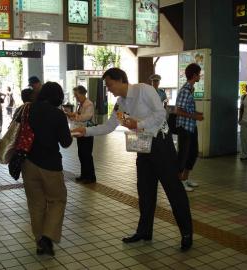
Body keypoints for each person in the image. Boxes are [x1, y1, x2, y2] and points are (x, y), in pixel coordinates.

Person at [72, 68, 193, 251]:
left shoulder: (144, 90)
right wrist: (87, 131)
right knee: (145, 191)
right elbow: (110, 126)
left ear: (121, 80)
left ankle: (186, 233)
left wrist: (139, 124)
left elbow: (161, 114)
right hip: (142, 147)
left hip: (161, 144)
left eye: (110, 84)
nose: (109, 89)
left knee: (173, 189)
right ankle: (144, 230)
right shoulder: (120, 104)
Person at [21, 82, 72, 256]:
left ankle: (39, 243)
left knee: (36, 204)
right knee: (57, 200)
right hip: (50, 166)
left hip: (28, 163)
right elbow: (66, 142)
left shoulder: (27, 109)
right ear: (58, 97)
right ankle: (48, 236)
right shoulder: (58, 114)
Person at [175, 63, 204, 192]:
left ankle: (185, 179)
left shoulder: (190, 89)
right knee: (183, 155)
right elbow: (178, 111)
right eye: (199, 74)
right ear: (194, 75)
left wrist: (196, 114)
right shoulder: (185, 91)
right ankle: (179, 181)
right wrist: (194, 116)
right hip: (184, 128)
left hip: (191, 127)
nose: (200, 76)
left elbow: (186, 109)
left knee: (192, 153)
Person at [66, 85, 96, 184]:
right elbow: (79, 115)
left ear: (82, 94)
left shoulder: (89, 104)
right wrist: (72, 115)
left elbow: (86, 117)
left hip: (87, 132)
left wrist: (74, 116)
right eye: (75, 95)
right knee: (81, 154)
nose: (76, 97)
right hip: (80, 132)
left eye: (77, 95)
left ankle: (90, 177)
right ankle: (84, 175)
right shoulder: (81, 104)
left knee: (86, 154)